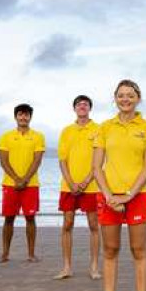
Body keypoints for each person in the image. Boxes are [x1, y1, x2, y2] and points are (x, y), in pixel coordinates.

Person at [93, 80, 146, 291]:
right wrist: (109, 195)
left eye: (130, 95)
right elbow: (96, 166)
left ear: (138, 98)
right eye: (121, 95)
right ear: (115, 98)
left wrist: (130, 194)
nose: (125, 99)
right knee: (110, 251)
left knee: (138, 250)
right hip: (109, 196)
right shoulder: (105, 127)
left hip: (138, 196)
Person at [55, 94, 102, 280]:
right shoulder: (67, 131)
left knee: (93, 226)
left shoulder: (98, 129)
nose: (82, 106)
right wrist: (71, 182)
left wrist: (86, 181)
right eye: (79, 104)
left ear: (90, 108)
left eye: (85, 104)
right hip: (69, 186)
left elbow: (100, 158)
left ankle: (94, 267)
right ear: (74, 108)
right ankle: (66, 267)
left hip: (91, 186)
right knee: (67, 224)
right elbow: (62, 160)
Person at [0, 104, 45, 263]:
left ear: (30, 117)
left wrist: (25, 179)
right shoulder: (6, 136)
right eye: (20, 115)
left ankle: (31, 254)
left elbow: (37, 161)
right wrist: (17, 179)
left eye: (26, 115)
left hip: (31, 185)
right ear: (16, 116)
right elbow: (3, 161)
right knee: (8, 219)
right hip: (10, 184)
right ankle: (5, 253)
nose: (23, 117)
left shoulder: (38, 136)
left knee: (30, 218)